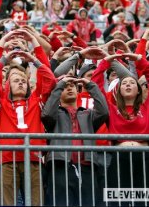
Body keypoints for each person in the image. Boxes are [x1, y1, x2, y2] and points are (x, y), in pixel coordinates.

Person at [0, 43, 56, 206]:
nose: (20, 83)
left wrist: (34, 59)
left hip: (33, 158)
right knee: (7, 202)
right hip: (7, 159)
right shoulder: (0, 104)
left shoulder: (37, 102)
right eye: (15, 80)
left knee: (36, 202)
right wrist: (3, 59)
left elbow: (50, 79)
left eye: (23, 81)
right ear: (8, 85)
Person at [92, 51, 149, 206]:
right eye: (124, 83)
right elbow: (96, 86)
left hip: (145, 158)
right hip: (119, 159)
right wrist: (105, 61)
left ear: (139, 89)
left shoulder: (148, 105)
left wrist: (138, 59)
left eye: (132, 82)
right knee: (118, 202)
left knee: (146, 202)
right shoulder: (110, 108)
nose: (128, 84)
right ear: (118, 90)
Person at [42, 75, 108, 206]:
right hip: (60, 166)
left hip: (87, 166)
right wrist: (60, 85)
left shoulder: (88, 114)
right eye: (65, 88)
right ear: (59, 93)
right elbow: (47, 114)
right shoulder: (54, 114)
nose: (69, 89)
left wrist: (90, 85)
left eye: (72, 86)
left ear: (78, 91)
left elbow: (104, 111)